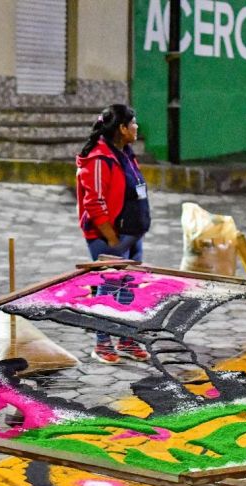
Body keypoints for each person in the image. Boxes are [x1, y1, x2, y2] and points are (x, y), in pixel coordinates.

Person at [75, 104, 152, 364]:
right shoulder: (98, 159)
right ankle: (102, 343)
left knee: (129, 286)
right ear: (121, 128)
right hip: (108, 236)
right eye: (133, 123)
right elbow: (94, 202)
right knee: (108, 287)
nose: (136, 127)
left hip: (131, 233)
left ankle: (127, 338)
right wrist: (112, 240)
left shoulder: (126, 153)